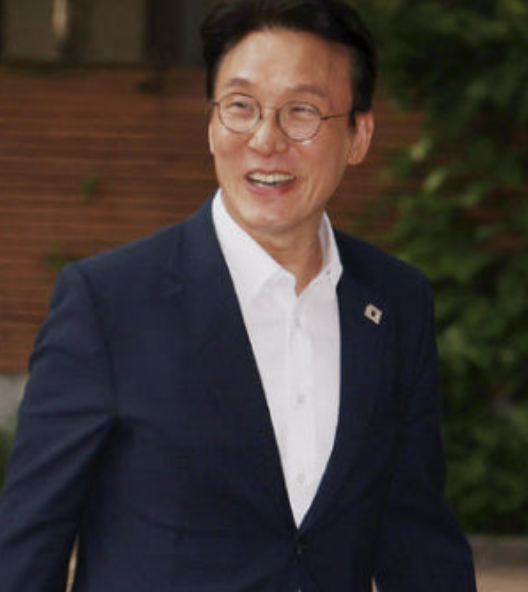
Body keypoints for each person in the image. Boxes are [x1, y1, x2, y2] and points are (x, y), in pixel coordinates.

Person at [0, 1, 478, 590]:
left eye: (301, 111)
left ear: (359, 135)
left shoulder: (395, 302)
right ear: (210, 124)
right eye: (241, 107)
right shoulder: (108, 303)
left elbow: (418, 541)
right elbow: (27, 551)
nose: (265, 140)